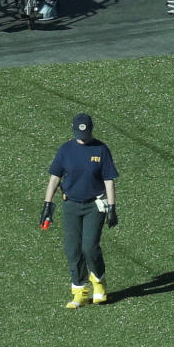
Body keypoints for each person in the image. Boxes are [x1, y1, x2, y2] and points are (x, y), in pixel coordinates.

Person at [41, 113, 119, 309]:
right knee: (72, 249)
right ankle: (80, 291)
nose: (81, 137)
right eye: (78, 133)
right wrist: (47, 205)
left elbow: (109, 179)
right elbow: (55, 178)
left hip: (94, 205)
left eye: (85, 133)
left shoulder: (101, 150)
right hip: (71, 205)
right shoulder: (66, 150)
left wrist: (112, 207)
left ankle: (99, 283)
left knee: (90, 247)